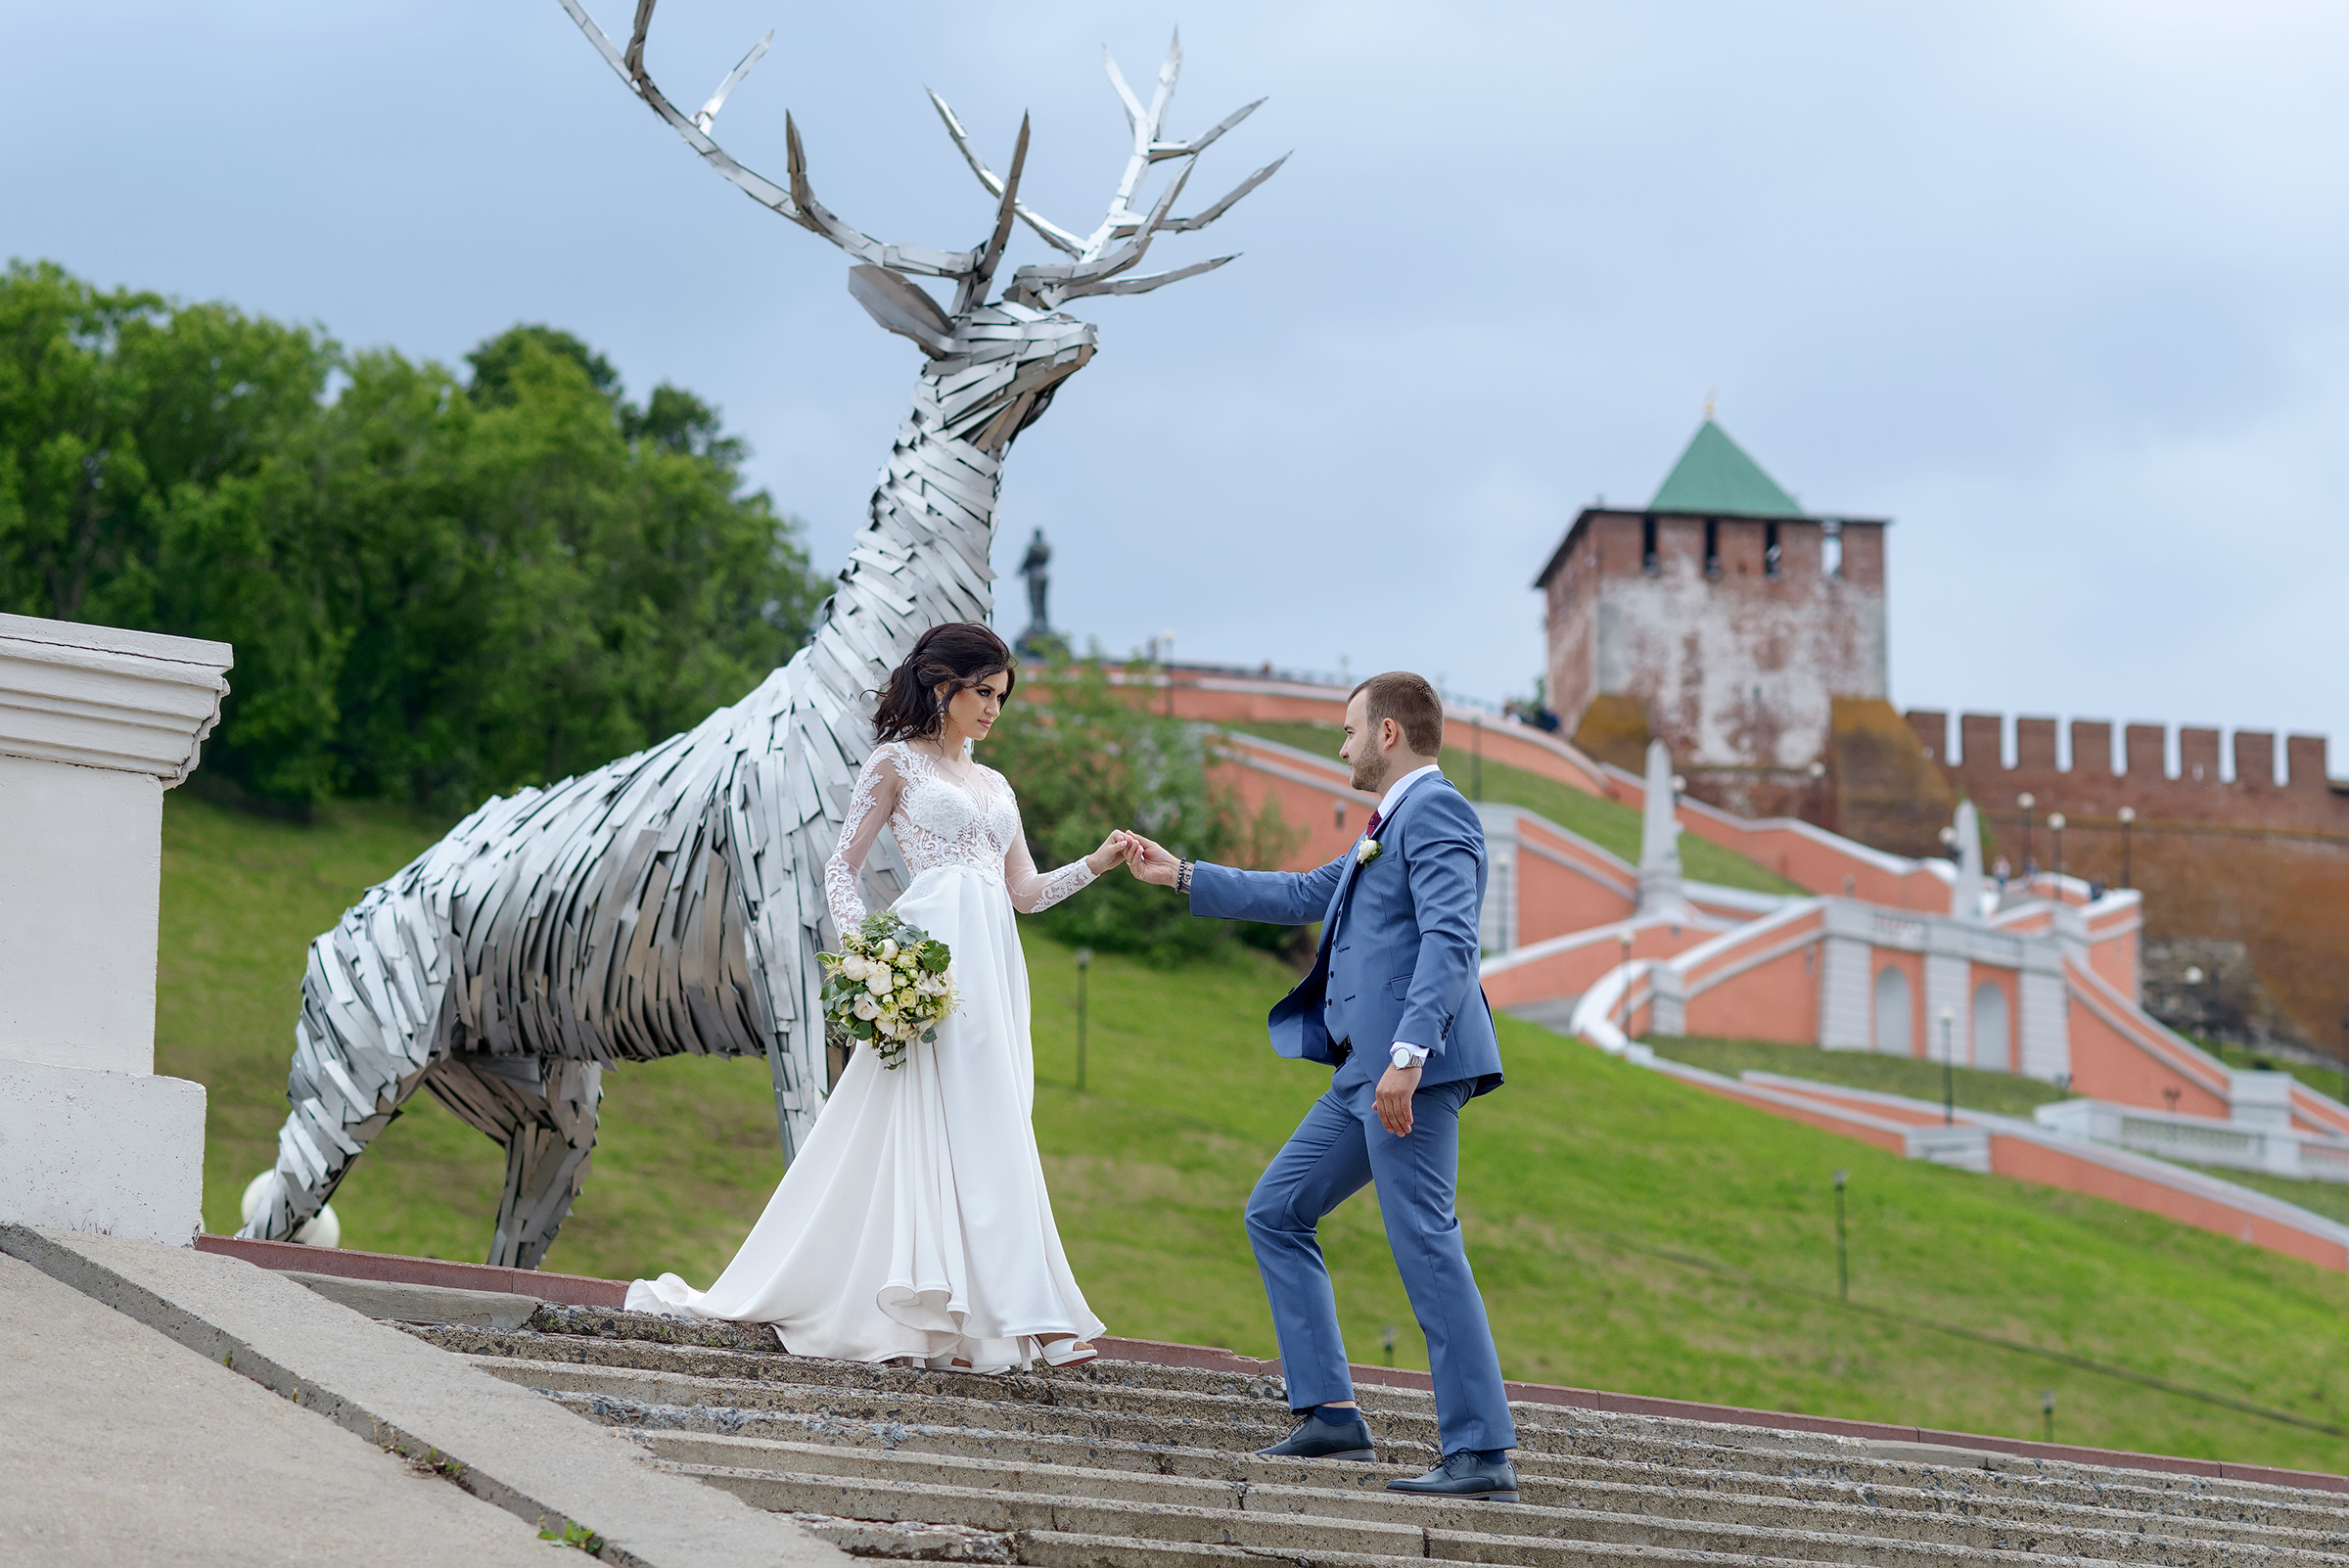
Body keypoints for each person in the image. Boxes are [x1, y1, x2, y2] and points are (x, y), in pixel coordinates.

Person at [627, 623, 1129, 1372]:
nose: (995, 709)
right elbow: (842, 870)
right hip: (926, 964)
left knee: (997, 1120)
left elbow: (1023, 893)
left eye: (1002, 697)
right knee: (937, 1126)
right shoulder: (895, 762)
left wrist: (1097, 862)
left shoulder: (996, 786)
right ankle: (1017, 1318)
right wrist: (872, 960)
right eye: (984, 693)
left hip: (993, 969)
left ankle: (1018, 1314)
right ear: (943, 686)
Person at [1123, 670, 1518, 1501]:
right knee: (1276, 1209)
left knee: (1425, 1241)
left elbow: (1450, 941)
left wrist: (1409, 1057)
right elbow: (1308, 893)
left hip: (1410, 1069)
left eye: (1347, 732)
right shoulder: (1389, 822)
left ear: (1387, 734)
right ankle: (1332, 1415)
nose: (1340, 747)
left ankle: (1481, 1454)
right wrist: (1181, 876)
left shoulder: (1437, 811)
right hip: (1363, 1073)